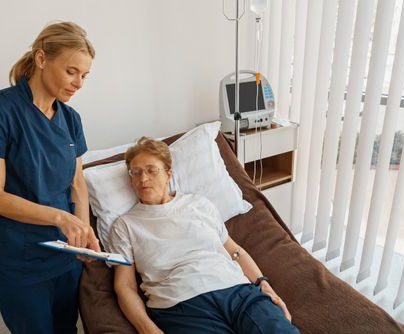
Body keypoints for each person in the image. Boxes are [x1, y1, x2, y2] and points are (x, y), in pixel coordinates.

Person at [0, 21, 100, 334]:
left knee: (66, 328)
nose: (79, 82)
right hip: (17, 254)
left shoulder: (70, 119)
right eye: (71, 71)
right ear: (41, 59)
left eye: (84, 75)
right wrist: (60, 218)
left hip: (64, 254)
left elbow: (78, 185)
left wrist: (82, 232)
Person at [109, 137, 300, 334]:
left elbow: (234, 251)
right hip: (181, 307)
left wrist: (263, 284)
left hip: (238, 292)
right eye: (135, 172)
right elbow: (125, 286)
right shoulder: (126, 226)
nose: (143, 179)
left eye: (151, 170)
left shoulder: (199, 205)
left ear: (168, 174)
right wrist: (148, 330)